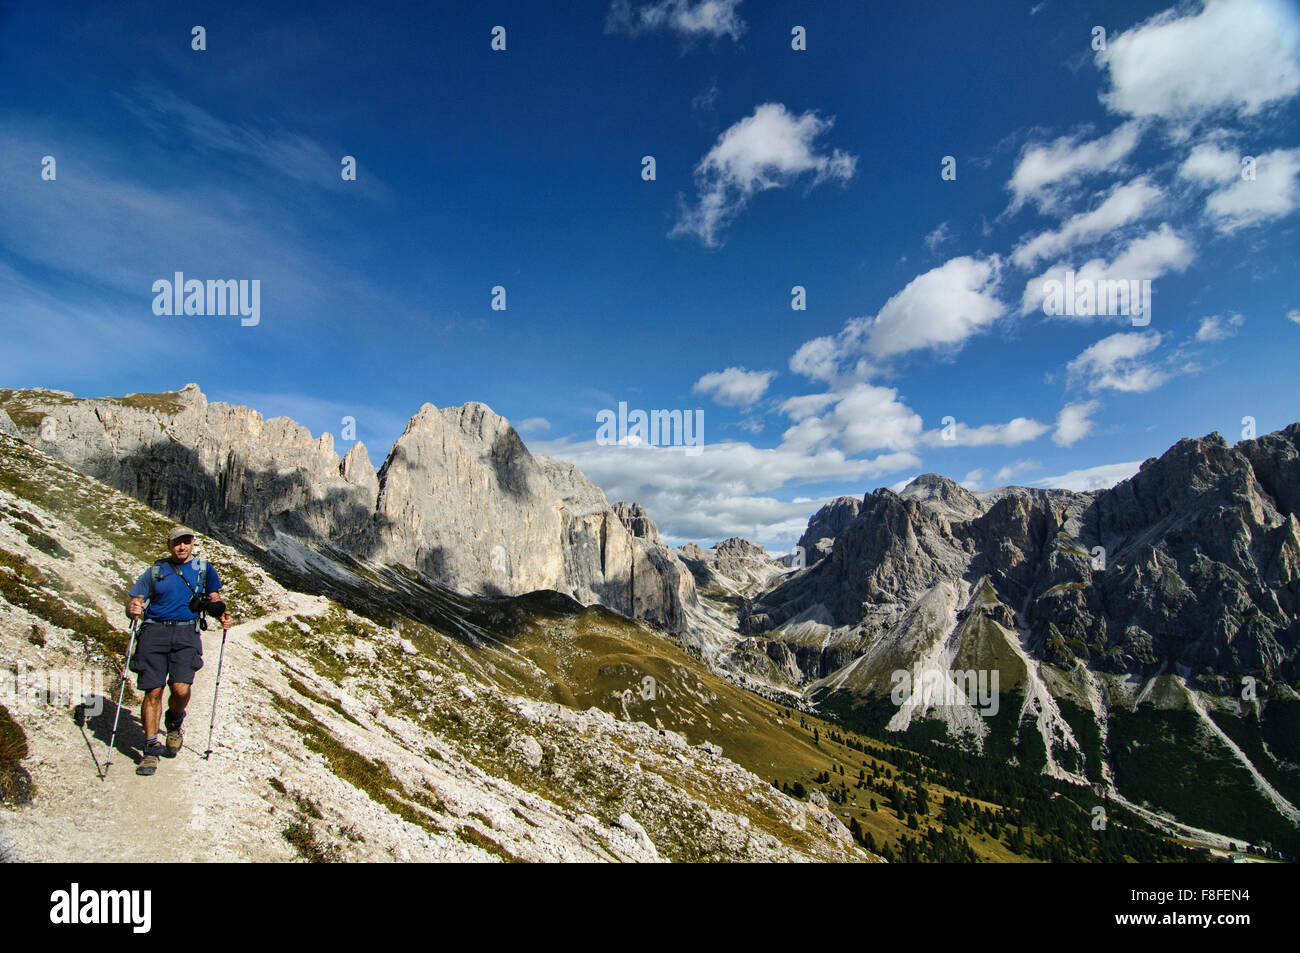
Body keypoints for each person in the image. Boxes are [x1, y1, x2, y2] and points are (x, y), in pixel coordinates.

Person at [124, 526, 232, 776]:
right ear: (169, 544)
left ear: (193, 542)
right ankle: (150, 750)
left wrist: (223, 614)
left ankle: (174, 720)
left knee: (181, 688)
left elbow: (214, 599)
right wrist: (133, 608)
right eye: (176, 543)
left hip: (186, 633)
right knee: (153, 691)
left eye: (185, 542)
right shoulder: (155, 571)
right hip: (153, 632)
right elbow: (135, 599)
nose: (181, 547)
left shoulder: (204, 570)